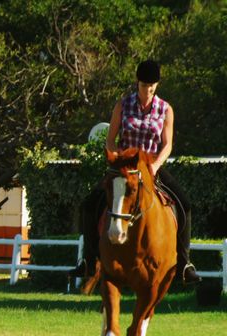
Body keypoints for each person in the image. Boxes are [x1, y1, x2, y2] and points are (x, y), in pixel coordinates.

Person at [70, 59, 200, 284]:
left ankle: (184, 264)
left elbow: (167, 144)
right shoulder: (123, 105)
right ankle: (88, 261)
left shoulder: (165, 109)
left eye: (152, 86)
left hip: (151, 169)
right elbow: (110, 140)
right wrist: (116, 161)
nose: (147, 90)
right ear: (137, 83)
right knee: (89, 204)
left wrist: (155, 165)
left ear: (157, 85)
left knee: (184, 204)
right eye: (143, 85)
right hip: (123, 170)